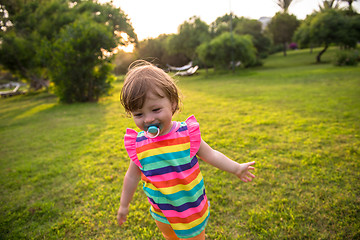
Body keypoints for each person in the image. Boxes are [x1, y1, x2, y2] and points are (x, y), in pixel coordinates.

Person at [117, 61, 255, 240]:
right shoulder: (138, 144)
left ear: (173, 103)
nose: (149, 119)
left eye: (156, 109)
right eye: (139, 114)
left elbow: (211, 154)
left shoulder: (187, 134)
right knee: (170, 237)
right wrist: (124, 205)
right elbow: (132, 176)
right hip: (162, 211)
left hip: (190, 210)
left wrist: (236, 168)